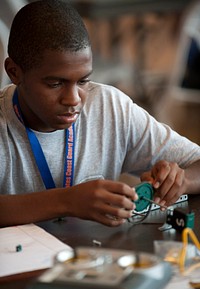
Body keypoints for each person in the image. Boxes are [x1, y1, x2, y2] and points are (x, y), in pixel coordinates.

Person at [0, 0, 200, 228]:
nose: (73, 99)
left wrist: (182, 180)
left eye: (83, 81)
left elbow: (196, 163)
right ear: (14, 72)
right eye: (55, 83)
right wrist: (66, 201)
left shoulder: (109, 109)